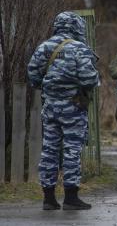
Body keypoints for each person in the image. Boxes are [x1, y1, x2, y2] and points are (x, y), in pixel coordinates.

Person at [27, 11, 99, 210]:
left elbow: (32, 75)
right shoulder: (79, 48)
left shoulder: (44, 47)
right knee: (72, 151)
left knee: (49, 150)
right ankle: (70, 197)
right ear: (76, 27)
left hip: (50, 107)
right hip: (73, 108)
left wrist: (51, 88)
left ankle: (48, 199)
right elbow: (90, 80)